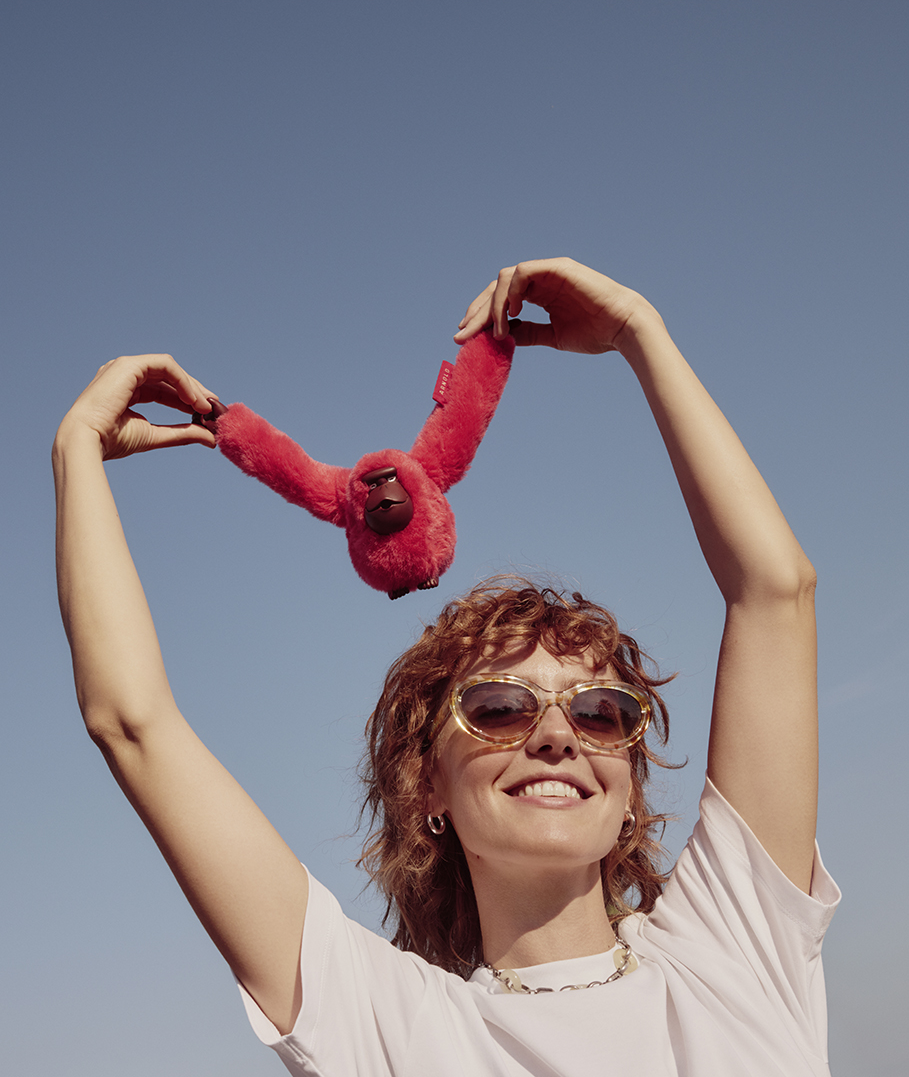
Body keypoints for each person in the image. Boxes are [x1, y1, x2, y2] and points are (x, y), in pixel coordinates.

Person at [54, 258, 838, 1076]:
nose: (556, 737)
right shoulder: (386, 1026)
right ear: (425, 786)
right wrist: (77, 450)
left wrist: (637, 332)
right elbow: (133, 724)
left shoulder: (736, 948)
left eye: (598, 712)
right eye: (499, 707)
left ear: (631, 792)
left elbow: (775, 593)